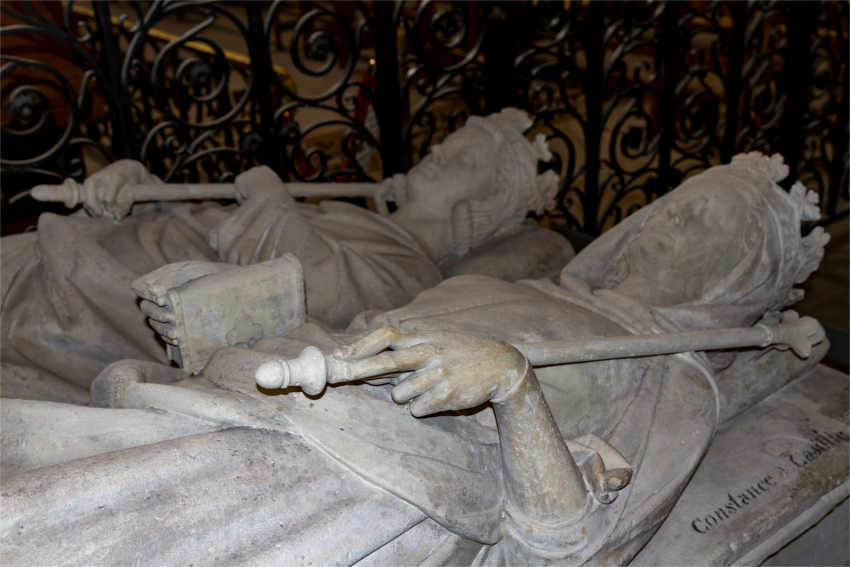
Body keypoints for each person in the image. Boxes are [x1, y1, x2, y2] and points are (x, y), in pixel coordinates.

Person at [0, 153, 828, 565]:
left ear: (731, 279)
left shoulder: (672, 373)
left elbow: (574, 545)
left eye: (703, 231)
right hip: (278, 392)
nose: (666, 228)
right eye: (676, 210)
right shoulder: (552, 285)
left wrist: (513, 387)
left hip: (363, 484)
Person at [0, 108, 560, 404]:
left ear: (480, 209)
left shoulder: (410, 268)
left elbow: (314, 297)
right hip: (114, 248)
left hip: (108, 298)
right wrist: (131, 191)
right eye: (445, 143)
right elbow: (214, 225)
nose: (436, 152)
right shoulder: (360, 217)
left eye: (460, 160)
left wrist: (271, 201)